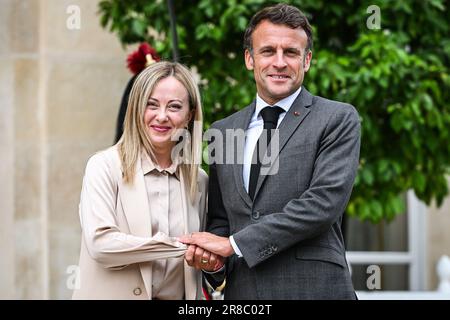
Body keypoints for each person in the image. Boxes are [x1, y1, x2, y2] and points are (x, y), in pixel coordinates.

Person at [179, 3, 361, 299]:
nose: (279, 62)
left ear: (307, 60)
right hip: (245, 296)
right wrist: (214, 264)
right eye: (267, 51)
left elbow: (322, 205)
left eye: (290, 52)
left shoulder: (337, 118)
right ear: (250, 59)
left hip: (316, 291)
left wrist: (235, 244)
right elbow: (221, 221)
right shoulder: (223, 130)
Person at [73, 61, 223, 300]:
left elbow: (199, 266)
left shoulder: (199, 181)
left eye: (174, 107)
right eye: (151, 105)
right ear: (136, 108)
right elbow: (101, 245)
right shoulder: (103, 166)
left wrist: (211, 261)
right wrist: (179, 246)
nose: (161, 116)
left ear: (189, 115)